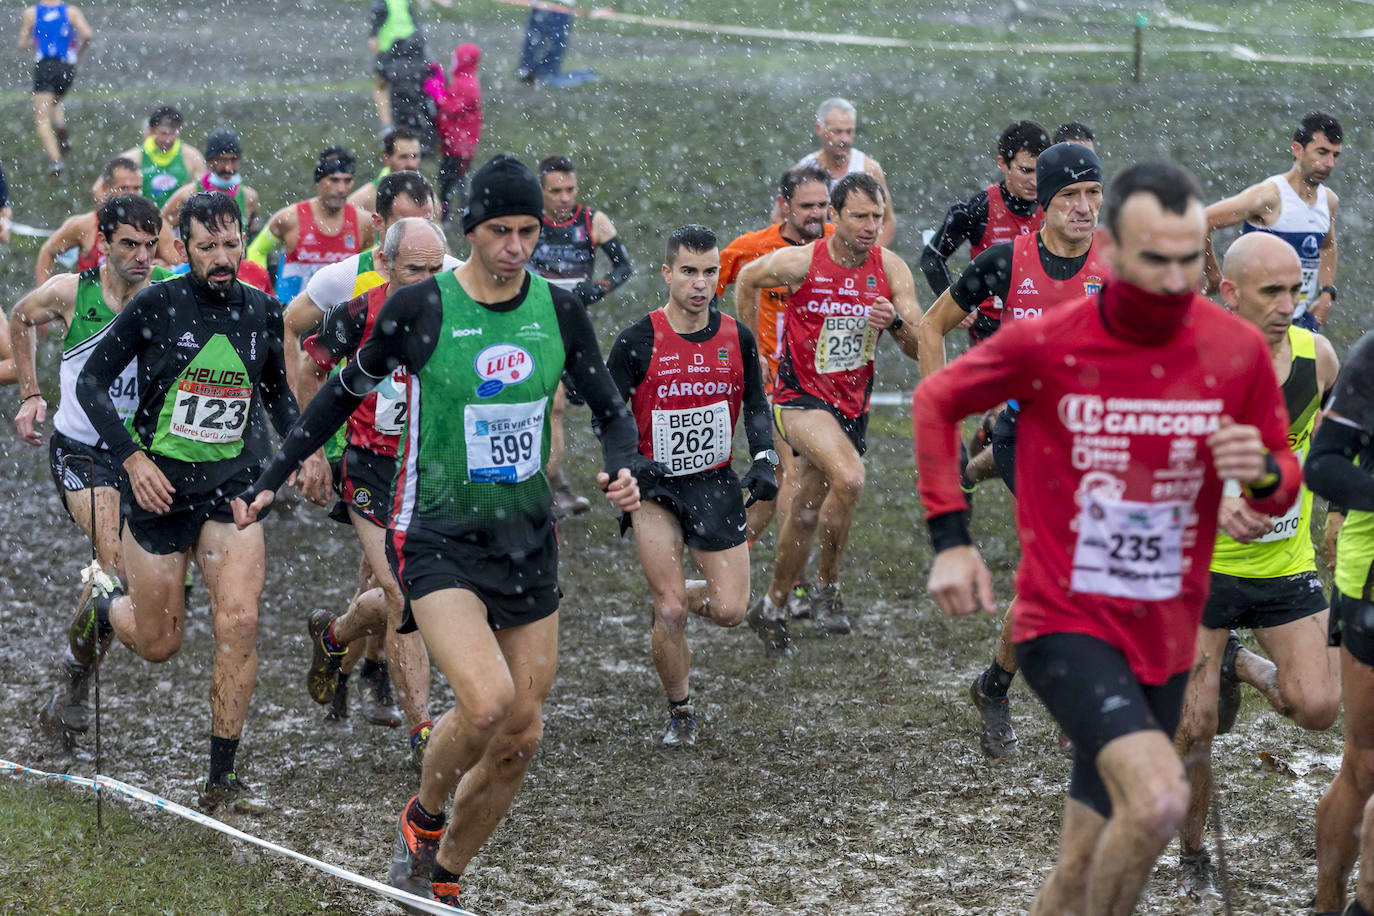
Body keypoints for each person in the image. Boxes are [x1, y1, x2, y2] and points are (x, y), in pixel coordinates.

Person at [231, 154, 648, 908]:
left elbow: (613, 410)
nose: (516, 246)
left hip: (526, 543)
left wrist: (625, 468)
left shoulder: (559, 311)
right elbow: (334, 396)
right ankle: (422, 821)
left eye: (527, 231)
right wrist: (273, 473)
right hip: (435, 537)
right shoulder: (419, 309)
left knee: (521, 735)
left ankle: (444, 878)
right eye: (500, 231)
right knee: (485, 704)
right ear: (472, 232)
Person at [914, 161, 1299, 916]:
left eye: (1191, 259)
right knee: (1157, 800)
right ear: (1114, 254)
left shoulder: (1233, 351)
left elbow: (1281, 475)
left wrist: (1255, 476)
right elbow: (935, 401)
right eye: (1156, 260)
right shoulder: (1054, 341)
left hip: (1164, 633)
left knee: (1083, 861)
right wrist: (951, 538)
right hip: (1067, 620)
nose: (1175, 277)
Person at [54, 192, 297, 813]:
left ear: (243, 241)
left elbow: (277, 393)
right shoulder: (157, 305)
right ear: (182, 248)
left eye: (231, 244)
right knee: (161, 644)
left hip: (232, 489)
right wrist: (132, 459)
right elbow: (90, 383)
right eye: (207, 247)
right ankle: (106, 610)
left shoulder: (262, 310)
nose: (222, 258)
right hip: (159, 492)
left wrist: (304, 451)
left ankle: (222, 779)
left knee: (239, 621)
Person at [915, 142, 1108, 758]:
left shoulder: (1119, 266)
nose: (1084, 208)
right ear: (1044, 204)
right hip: (1027, 435)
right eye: (1070, 197)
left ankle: (996, 683)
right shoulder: (1005, 263)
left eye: (1093, 194)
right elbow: (930, 327)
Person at [1172, 231, 1340, 898]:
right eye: (1272, 291)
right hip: (1200, 570)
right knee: (1194, 726)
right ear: (1229, 291)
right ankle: (1193, 861)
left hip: (1283, 566)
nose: (1288, 304)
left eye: (1296, 291)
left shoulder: (1317, 358)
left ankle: (1244, 661)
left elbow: (1325, 448)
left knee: (1320, 707)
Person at [282, 171, 456, 728]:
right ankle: (422, 731)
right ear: (385, 262)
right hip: (372, 467)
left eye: (436, 269)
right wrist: (313, 452)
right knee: (403, 595)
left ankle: (335, 635)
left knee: (412, 590)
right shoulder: (359, 309)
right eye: (415, 270)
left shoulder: (461, 311)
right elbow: (308, 365)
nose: (428, 281)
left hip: (432, 469)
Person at [736, 173, 921, 650]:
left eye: (877, 217)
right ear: (834, 217)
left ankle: (773, 604)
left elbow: (920, 345)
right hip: (798, 399)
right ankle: (828, 589)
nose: (870, 226)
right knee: (852, 478)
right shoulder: (803, 261)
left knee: (803, 515)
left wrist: (896, 322)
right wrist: (750, 348)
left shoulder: (891, 269)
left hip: (850, 406)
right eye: (859, 215)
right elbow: (747, 279)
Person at [608, 225, 776, 746]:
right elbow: (608, 414)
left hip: (713, 481)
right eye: (688, 271)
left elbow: (754, 404)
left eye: (708, 272)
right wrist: (629, 462)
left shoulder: (736, 337)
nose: (700, 284)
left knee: (730, 611)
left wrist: (765, 456)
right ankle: (680, 708)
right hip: (656, 490)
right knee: (673, 609)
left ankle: (674, 598)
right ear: (667, 273)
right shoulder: (637, 340)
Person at [15, 195, 169, 733]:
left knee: (131, 586)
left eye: (150, 245)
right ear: (102, 243)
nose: (141, 256)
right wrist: (31, 394)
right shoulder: (70, 293)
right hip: (82, 449)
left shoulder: (166, 294)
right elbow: (19, 317)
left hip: (141, 455)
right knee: (114, 563)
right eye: (129, 244)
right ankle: (76, 678)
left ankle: (79, 665)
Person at [717, 166, 832, 550]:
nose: (817, 213)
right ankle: (790, 587)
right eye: (807, 205)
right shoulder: (754, 247)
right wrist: (736, 347)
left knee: (785, 480)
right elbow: (700, 288)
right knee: (792, 471)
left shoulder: (836, 243)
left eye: (823, 204)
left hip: (821, 380)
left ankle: (732, 549)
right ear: (784, 206)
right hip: (773, 381)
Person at [1307, 327, 1374, 916]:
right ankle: (1331, 903)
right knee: (1365, 761)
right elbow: (1323, 465)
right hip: (1371, 580)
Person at [529, 154, 634, 517]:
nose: (563, 197)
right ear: (541, 190)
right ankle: (555, 488)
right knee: (552, 405)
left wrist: (599, 288)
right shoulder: (527, 221)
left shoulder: (592, 220)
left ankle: (578, 483)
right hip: (533, 325)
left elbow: (623, 266)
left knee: (607, 400)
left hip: (574, 328)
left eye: (569, 189)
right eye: (555, 191)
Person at [1203, 111, 1342, 332]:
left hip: (1301, 322)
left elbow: (1328, 246)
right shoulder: (1270, 196)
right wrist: (1212, 274)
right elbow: (1203, 221)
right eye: (1322, 152)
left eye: (1335, 155)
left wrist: (1327, 293)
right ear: (1297, 149)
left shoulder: (1329, 201)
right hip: (1257, 324)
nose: (1329, 163)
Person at [245, 147, 374, 305]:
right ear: (319, 182)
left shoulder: (364, 223)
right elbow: (256, 250)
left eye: (347, 180)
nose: (341, 189)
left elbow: (371, 270)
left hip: (340, 317)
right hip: (292, 313)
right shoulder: (289, 218)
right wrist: (259, 293)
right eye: (334, 180)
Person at [777, 98, 895, 248]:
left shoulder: (869, 168)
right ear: (819, 129)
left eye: (849, 131)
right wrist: (796, 255)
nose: (844, 139)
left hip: (854, 255)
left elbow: (888, 221)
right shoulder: (804, 168)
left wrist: (870, 257)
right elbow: (779, 217)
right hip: (812, 254)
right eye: (837, 132)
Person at [35, 156, 142, 285]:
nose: (131, 195)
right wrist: (44, 296)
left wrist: (162, 266)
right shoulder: (84, 225)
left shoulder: (152, 224)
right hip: (89, 303)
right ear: (105, 189)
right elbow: (48, 251)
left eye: (136, 188)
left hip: (133, 303)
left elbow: (172, 261)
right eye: (123, 188)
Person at [158, 128, 261, 257]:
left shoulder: (249, 197)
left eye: (234, 160)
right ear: (209, 162)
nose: (228, 168)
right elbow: (160, 223)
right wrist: (174, 259)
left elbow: (254, 240)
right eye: (222, 160)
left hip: (236, 270)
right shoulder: (188, 194)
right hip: (198, 270)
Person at [18, 0, 90, 176]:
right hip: (67, 67)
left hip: (45, 66)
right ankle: (61, 129)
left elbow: (22, 45)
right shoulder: (71, 12)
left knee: (41, 116)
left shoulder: (31, 13)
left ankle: (55, 161)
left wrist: (29, 36)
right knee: (54, 102)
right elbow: (87, 34)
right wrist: (78, 54)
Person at [368, 0, 449, 135]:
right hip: (413, 44)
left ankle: (387, 126)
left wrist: (374, 34)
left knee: (380, 85)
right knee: (416, 85)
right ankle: (428, 125)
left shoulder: (380, 3)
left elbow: (379, 15)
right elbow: (412, 19)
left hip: (390, 47)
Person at [423, 44, 483, 224]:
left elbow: (451, 107)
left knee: (451, 179)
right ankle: (459, 212)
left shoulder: (467, 83)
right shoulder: (462, 80)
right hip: (455, 142)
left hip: (459, 145)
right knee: (453, 178)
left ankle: (455, 214)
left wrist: (437, 92)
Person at [118, 106, 207, 208]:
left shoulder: (192, 156)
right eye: (163, 133)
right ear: (152, 131)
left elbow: (204, 193)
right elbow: (99, 189)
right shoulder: (132, 157)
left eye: (173, 133)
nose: (168, 139)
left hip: (178, 219)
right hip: (143, 219)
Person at [515, 0, 595, 87]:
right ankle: (540, 75)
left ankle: (528, 73)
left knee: (535, 40)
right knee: (552, 43)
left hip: (543, 5)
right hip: (559, 6)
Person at [347, 127, 422, 214]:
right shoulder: (363, 199)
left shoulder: (430, 199)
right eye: (403, 157)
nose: (411, 164)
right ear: (386, 159)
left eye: (415, 156)